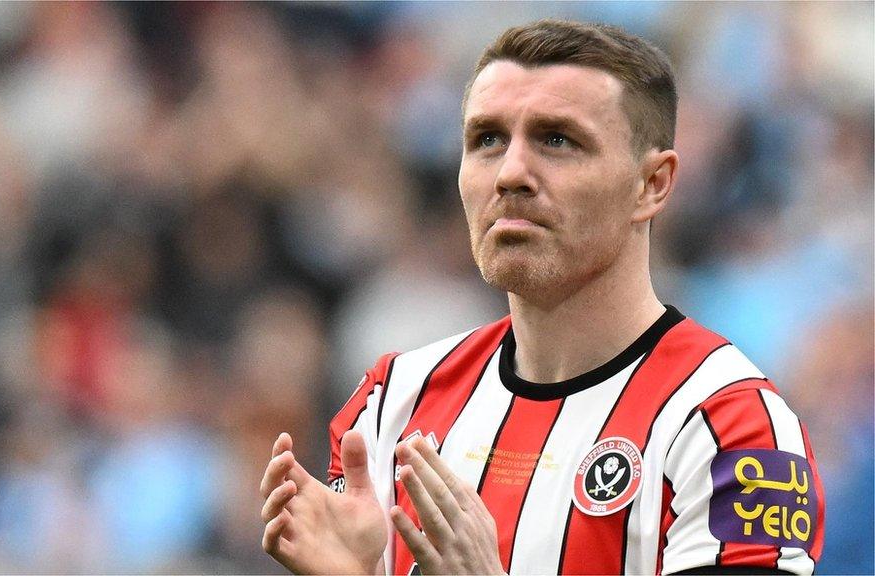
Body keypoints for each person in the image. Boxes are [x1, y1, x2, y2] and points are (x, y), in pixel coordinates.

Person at [259, 20, 824, 575]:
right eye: (487, 139)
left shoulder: (732, 427)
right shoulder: (391, 405)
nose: (510, 173)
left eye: (557, 140)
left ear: (652, 184)